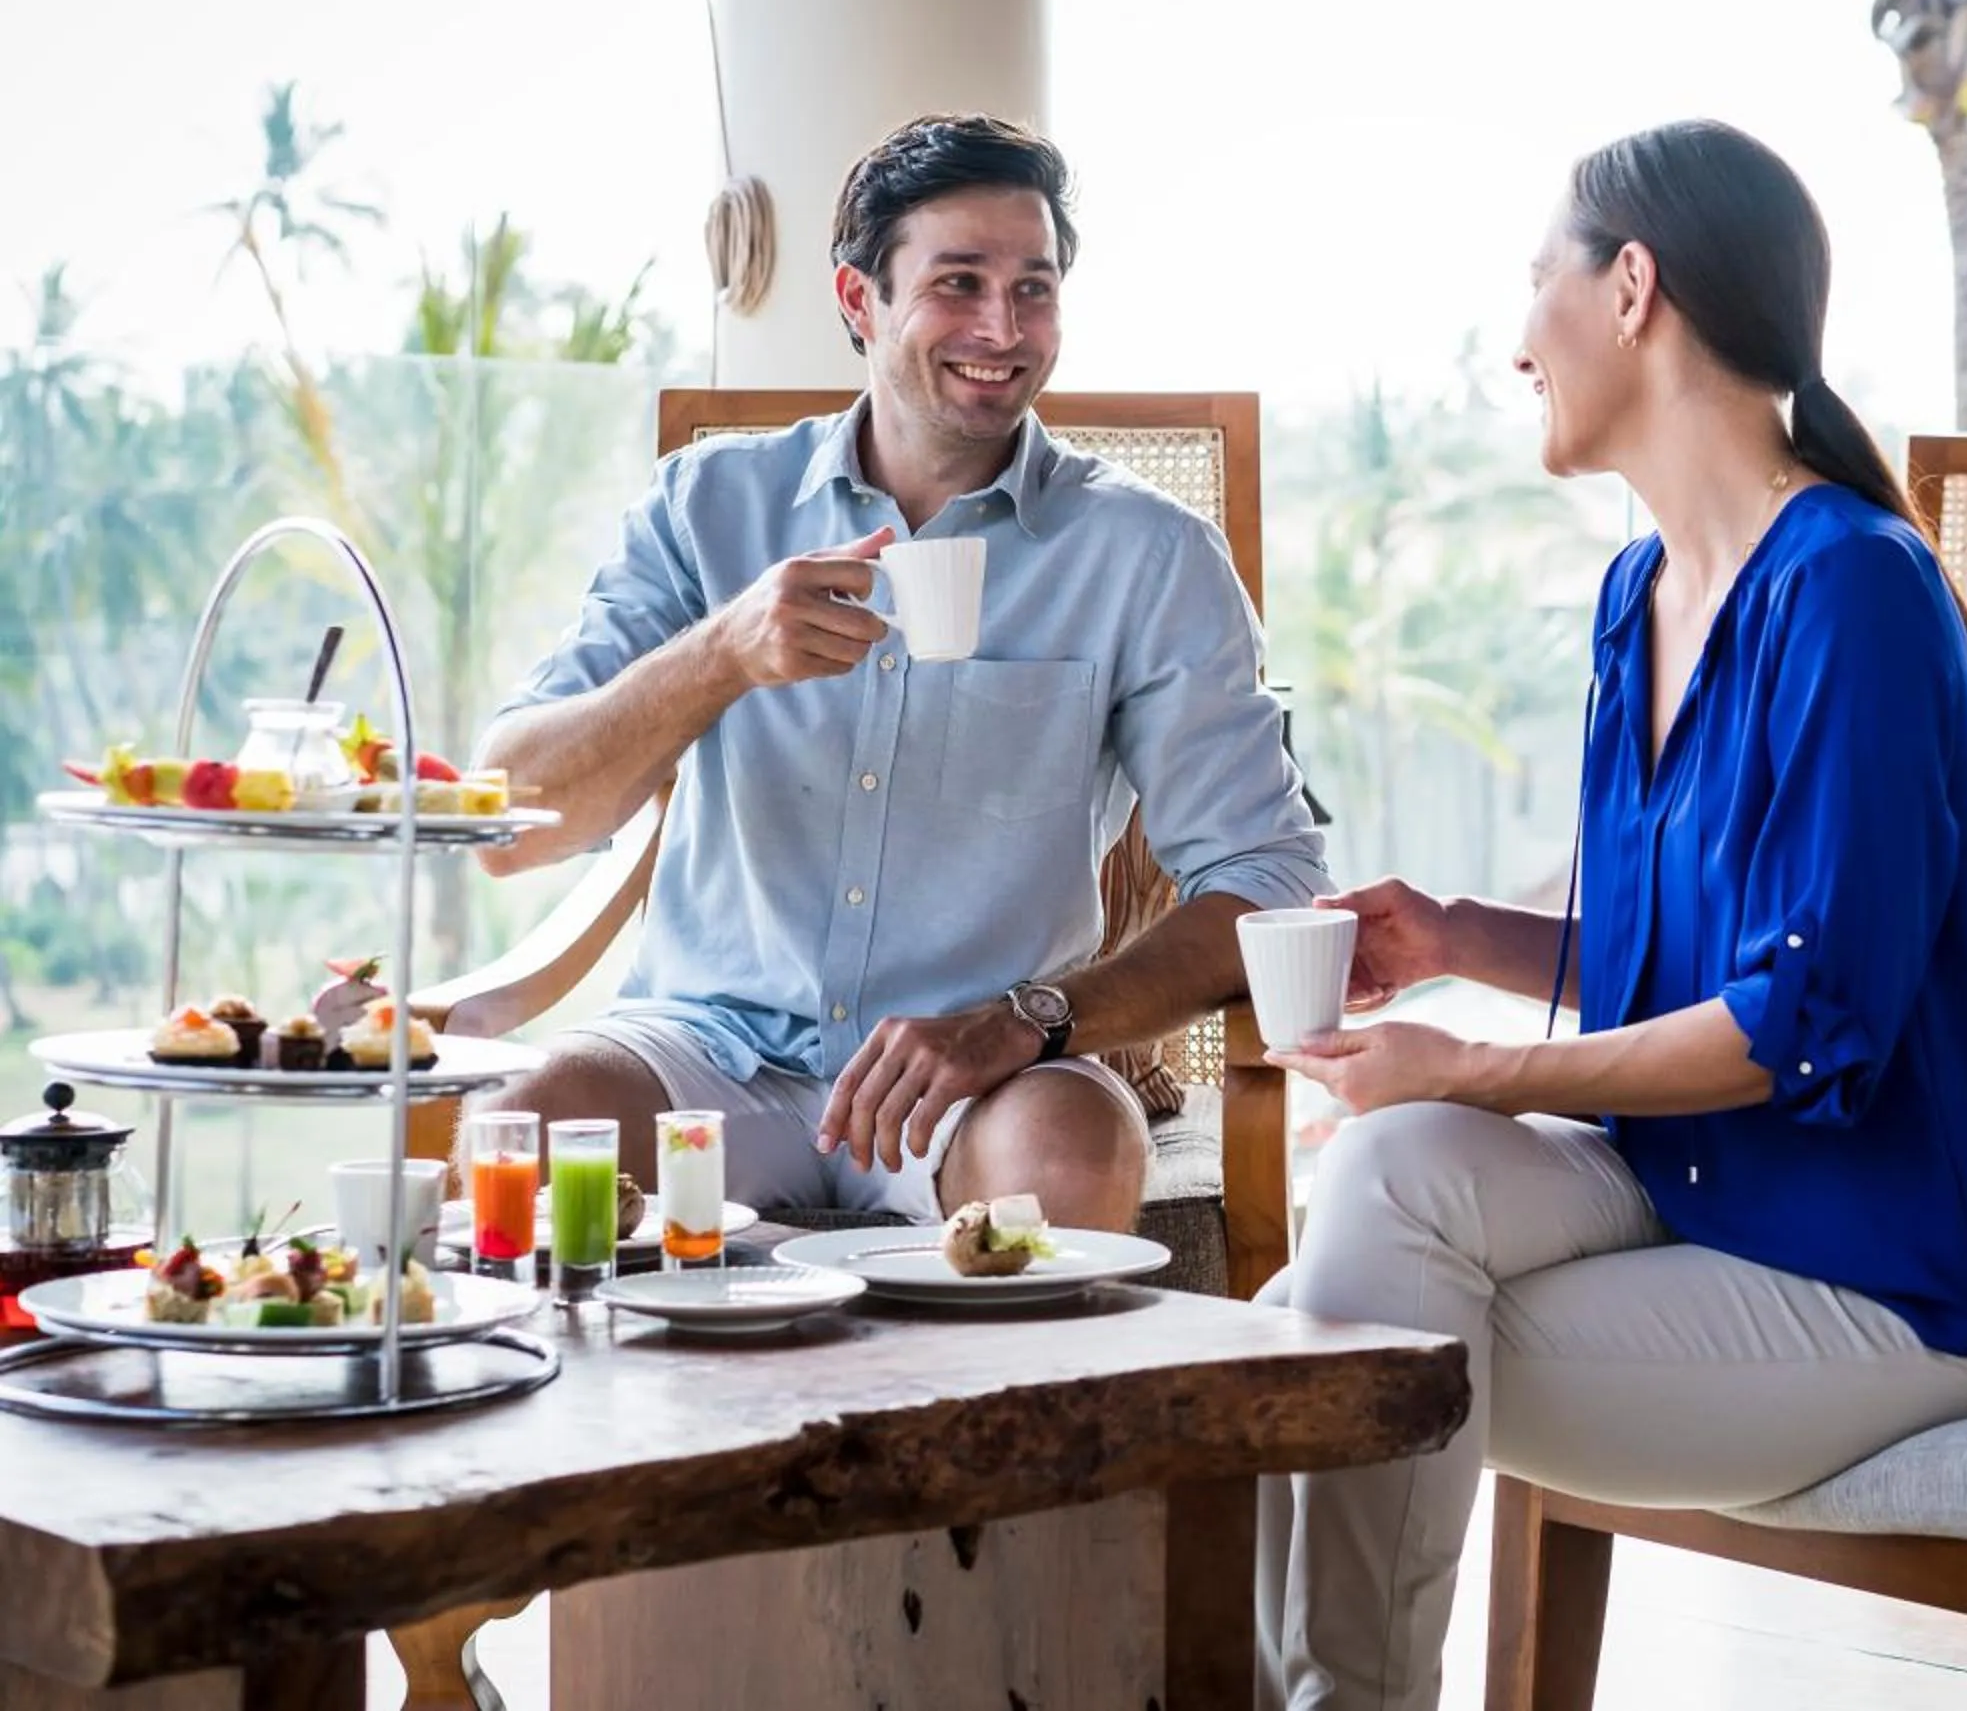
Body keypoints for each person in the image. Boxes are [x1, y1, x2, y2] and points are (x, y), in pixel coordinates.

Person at [1254, 120, 1967, 1710]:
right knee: (1384, 1180)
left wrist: (1466, 1066)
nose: (1514, 343)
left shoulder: (1854, 587)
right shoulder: (1640, 598)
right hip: (1701, 1198)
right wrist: (1463, 937)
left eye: (1534, 283)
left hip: (1896, 1283)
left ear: (1633, 288)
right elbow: (1671, 970)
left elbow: (1795, 1020)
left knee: (1311, 1346)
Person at [474, 113, 1328, 1231]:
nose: (1002, 326)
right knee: (527, 1126)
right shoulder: (708, 507)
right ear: (855, 300)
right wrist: (717, 658)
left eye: (1035, 287)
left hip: (981, 1076)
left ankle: (1006, 1412)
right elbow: (506, 820)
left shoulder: (1147, 557)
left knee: (1070, 1147)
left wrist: (1030, 1017)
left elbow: (1271, 881)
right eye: (959, 282)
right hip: (708, 1052)